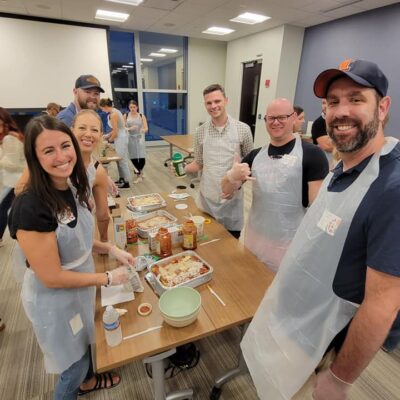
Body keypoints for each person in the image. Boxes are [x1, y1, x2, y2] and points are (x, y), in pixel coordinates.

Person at [241, 59, 400, 400]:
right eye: (332, 102)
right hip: (300, 317)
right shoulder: (343, 168)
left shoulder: (392, 186)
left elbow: (383, 303)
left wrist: (340, 379)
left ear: (383, 108)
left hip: (328, 340)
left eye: (356, 99)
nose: (341, 111)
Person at [8, 115, 134, 399]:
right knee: (72, 367)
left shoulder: (71, 186)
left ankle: (89, 382)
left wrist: (110, 249)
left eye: (66, 146)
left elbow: (76, 238)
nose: (62, 156)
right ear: (34, 157)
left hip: (78, 288)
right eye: (48, 151)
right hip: (54, 300)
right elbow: (52, 276)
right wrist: (108, 277)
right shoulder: (31, 206)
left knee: (85, 344)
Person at [221, 99, 328, 271]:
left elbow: (317, 208)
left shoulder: (312, 155)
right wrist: (231, 176)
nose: (276, 122)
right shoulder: (255, 156)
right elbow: (225, 192)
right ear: (265, 121)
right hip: (255, 238)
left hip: (289, 243)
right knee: (253, 285)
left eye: (282, 117)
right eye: (271, 118)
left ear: (293, 118)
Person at [14, 111, 111, 241]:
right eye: (82, 128)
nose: (88, 134)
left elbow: (103, 215)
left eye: (94, 130)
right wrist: (57, 201)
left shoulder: (98, 171)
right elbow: (19, 189)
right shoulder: (51, 160)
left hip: (75, 238)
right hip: (42, 233)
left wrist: (105, 244)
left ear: (100, 135)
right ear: (71, 130)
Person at [184, 84, 253, 239]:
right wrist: (183, 168)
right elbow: (199, 163)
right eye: (209, 103)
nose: (213, 106)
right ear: (205, 105)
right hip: (207, 199)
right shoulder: (200, 132)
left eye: (217, 101)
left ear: (226, 101)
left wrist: (236, 184)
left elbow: (248, 167)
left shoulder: (243, 129)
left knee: (228, 247)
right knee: (207, 246)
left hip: (232, 200)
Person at [0, 108, 25, 247]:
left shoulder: (10, 138)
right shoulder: (9, 137)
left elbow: (13, 163)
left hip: (15, 180)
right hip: (12, 180)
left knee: (4, 209)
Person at [99, 98, 131, 189]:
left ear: (105, 106)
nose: (102, 110)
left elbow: (116, 132)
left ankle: (126, 182)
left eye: (102, 108)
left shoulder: (114, 114)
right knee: (120, 160)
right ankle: (122, 178)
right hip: (120, 137)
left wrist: (107, 141)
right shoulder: (115, 111)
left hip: (121, 138)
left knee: (121, 159)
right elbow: (115, 129)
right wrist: (107, 135)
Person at [124, 100, 148, 183]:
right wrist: (129, 129)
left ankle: (140, 171)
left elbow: (146, 128)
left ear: (137, 107)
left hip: (139, 138)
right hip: (130, 138)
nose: (132, 109)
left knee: (141, 157)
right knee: (133, 157)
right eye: (131, 107)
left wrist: (143, 130)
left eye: (134, 107)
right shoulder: (126, 115)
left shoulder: (141, 116)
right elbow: (122, 128)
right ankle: (139, 174)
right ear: (128, 107)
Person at [311, 99, 334, 166]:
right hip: (324, 163)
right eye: (323, 103)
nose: (325, 106)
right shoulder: (319, 123)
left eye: (329, 103)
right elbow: (327, 147)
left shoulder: (337, 121)